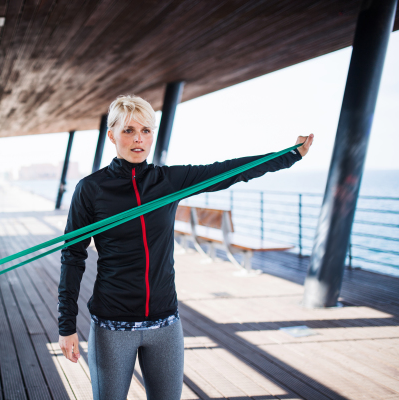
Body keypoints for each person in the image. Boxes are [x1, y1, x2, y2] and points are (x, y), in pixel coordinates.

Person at [58, 95, 314, 400]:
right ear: (112, 135)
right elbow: (72, 256)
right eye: (128, 131)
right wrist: (67, 326)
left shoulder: (169, 181)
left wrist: (290, 155)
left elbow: (229, 171)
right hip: (113, 326)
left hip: (166, 323)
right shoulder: (91, 189)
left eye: (146, 130)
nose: (138, 138)